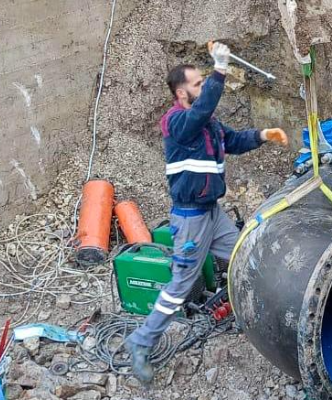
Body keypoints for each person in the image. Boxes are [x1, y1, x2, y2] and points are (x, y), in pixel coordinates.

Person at [123, 42, 288, 385]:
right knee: (181, 285)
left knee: (247, 253)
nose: (203, 88)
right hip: (191, 219)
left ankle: (258, 316)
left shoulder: (207, 125)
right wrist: (220, 69)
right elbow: (202, 110)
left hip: (213, 214)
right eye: (197, 84)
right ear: (182, 93)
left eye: (203, 82)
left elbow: (234, 139)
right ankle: (140, 341)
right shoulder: (178, 123)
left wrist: (263, 135)